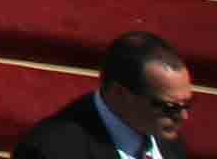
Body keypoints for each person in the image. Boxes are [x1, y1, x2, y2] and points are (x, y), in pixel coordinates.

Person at [12, 33, 196, 158]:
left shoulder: (168, 142)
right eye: (169, 107)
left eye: (187, 104)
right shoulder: (52, 150)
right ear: (120, 94)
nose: (183, 116)